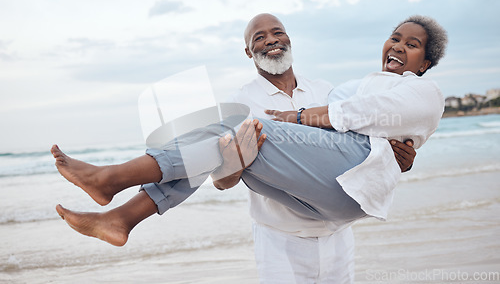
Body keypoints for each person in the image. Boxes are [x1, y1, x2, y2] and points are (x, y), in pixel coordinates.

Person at [52, 14, 444, 282]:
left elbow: (369, 126)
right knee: (232, 127)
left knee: (239, 125)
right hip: (281, 232)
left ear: (289, 39)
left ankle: (115, 191)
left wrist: (401, 158)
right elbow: (222, 181)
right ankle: (117, 210)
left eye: (277, 32)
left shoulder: (329, 90)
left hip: (335, 225)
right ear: (249, 52)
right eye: (259, 37)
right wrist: (236, 164)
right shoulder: (243, 98)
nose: (271, 40)